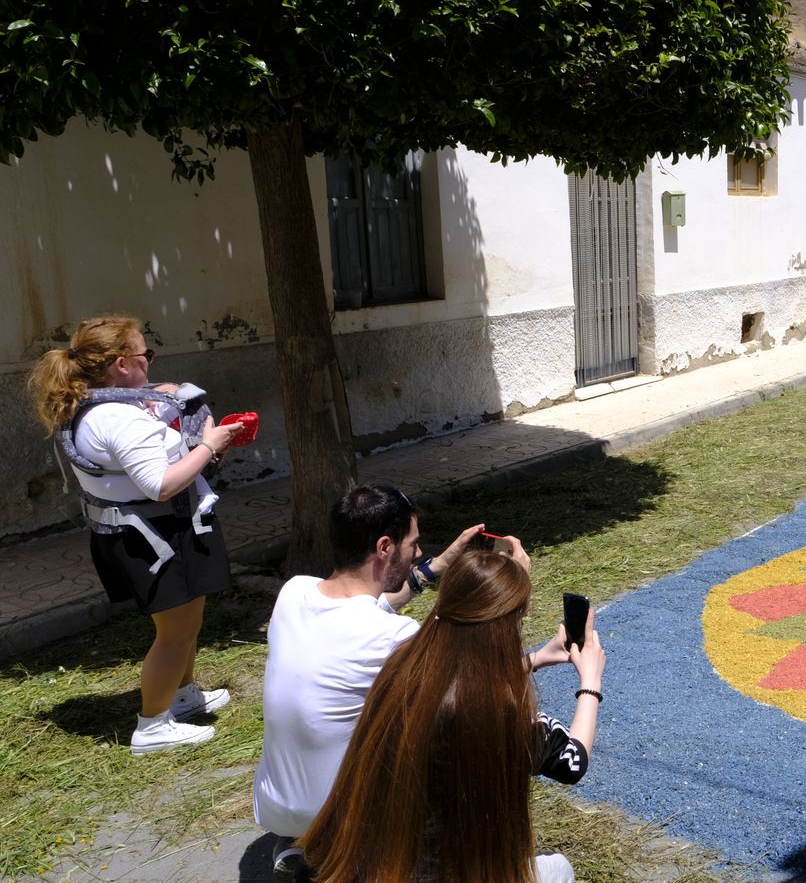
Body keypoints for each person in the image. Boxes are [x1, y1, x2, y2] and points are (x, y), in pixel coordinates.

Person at [301, 546, 606, 883]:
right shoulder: (504, 715)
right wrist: (590, 681)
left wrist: (535, 658)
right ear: (508, 625)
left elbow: (459, 680)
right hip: (455, 870)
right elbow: (572, 762)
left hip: (378, 863)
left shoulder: (401, 665)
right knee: (559, 869)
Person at [26, 316, 242, 754]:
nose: (151, 362)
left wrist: (160, 397)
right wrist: (209, 445)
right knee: (176, 631)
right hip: (154, 536)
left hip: (151, 528)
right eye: (146, 355)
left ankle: (179, 696)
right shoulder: (118, 420)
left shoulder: (95, 403)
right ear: (122, 364)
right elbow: (160, 484)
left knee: (187, 623)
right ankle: (152, 726)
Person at [253, 484, 484, 879]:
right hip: (334, 817)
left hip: (275, 808)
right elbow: (472, 683)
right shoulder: (392, 637)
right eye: (413, 544)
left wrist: (433, 569)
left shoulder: (294, 592)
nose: (418, 552)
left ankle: (305, 847)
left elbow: (369, 607)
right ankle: (349, 852)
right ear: (383, 548)